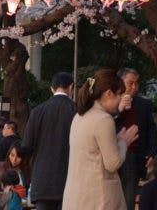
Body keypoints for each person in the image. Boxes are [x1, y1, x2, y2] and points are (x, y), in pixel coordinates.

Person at [62, 68, 139, 210]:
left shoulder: (79, 116)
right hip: (98, 199)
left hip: (75, 198)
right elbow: (113, 163)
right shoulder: (104, 119)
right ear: (108, 94)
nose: (120, 100)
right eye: (119, 95)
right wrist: (124, 142)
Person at [22, 71, 76, 210]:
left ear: (51, 88)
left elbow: (26, 146)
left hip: (42, 180)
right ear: (71, 87)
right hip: (69, 179)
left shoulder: (37, 111)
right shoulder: (76, 111)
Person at [116, 67, 157, 210]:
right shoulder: (111, 101)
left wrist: (152, 152)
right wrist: (118, 110)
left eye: (136, 83)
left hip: (133, 156)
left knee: (128, 199)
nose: (134, 87)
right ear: (120, 83)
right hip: (111, 153)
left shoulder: (144, 104)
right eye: (130, 83)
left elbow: (151, 129)